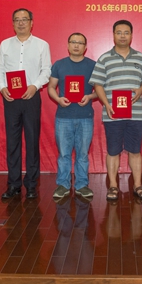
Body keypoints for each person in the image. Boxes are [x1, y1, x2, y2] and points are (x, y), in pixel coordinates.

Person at [90, 20, 142, 201]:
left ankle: (138, 185)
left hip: (135, 114)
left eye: (126, 32)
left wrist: (141, 90)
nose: (122, 36)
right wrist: (106, 104)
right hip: (112, 114)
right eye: (119, 32)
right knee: (113, 151)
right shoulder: (104, 58)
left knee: (135, 151)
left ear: (131, 35)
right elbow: (98, 84)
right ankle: (113, 186)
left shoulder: (140, 58)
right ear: (113, 35)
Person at [0, 8, 51, 200]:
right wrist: (2, 87)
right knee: (13, 142)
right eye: (17, 20)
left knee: (32, 141)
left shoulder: (42, 45)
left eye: (24, 19)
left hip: (31, 97)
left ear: (31, 22)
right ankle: (14, 184)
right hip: (10, 98)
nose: (21, 23)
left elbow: (46, 70)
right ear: (12, 23)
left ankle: (32, 184)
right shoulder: (5, 44)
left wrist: (35, 86)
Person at [48, 33, 97, 199]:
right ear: (68, 45)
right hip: (63, 116)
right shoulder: (59, 64)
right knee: (64, 154)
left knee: (83, 154)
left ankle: (82, 185)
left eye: (80, 43)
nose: (76, 45)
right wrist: (58, 99)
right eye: (73, 42)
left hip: (85, 116)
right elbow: (51, 87)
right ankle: (63, 185)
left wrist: (90, 97)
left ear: (85, 47)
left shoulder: (92, 65)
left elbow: (100, 90)